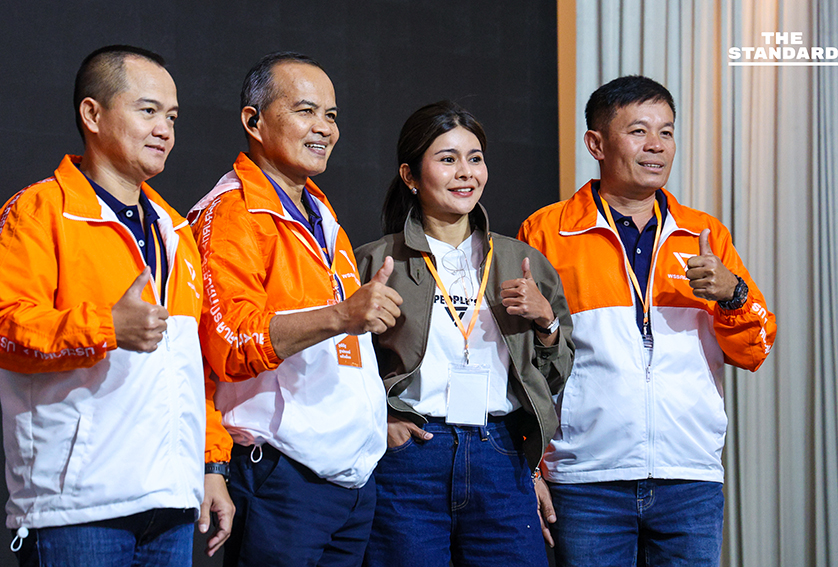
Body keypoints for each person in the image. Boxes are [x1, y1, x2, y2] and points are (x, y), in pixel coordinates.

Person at [518, 75, 777, 566]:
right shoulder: (547, 232)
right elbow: (519, 363)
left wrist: (733, 294)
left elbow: (756, 348)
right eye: (638, 131)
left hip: (689, 479)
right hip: (585, 479)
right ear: (596, 144)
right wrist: (529, 467)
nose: (656, 145)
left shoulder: (704, 234)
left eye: (667, 131)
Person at [187, 52, 402, 567]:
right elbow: (231, 344)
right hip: (282, 478)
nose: (324, 128)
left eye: (331, 115)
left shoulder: (320, 211)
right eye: (306, 111)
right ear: (253, 121)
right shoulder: (230, 213)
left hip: (350, 481)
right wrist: (342, 316)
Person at [0, 45, 207, 566]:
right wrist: (106, 327)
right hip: (78, 510)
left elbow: (191, 365)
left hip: (173, 503)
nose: (164, 130)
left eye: (172, 117)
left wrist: (211, 467)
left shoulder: (176, 230)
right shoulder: (39, 211)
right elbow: (5, 329)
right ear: (92, 114)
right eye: (148, 110)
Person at [355, 100, 575, 567]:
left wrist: (546, 322)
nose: (465, 173)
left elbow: (555, 375)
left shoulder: (519, 260)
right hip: (412, 456)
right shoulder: (377, 260)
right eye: (447, 159)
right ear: (410, 176)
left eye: (475, 158)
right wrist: (383, 423)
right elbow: (346, 366)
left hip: (500, 454)